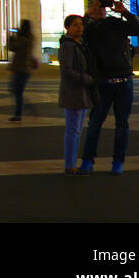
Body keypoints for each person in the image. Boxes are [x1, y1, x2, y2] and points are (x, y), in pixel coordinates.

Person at [78, 0, 139, 176]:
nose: (101, 9)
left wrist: (124, 11)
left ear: (109, 11)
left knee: (121, 124)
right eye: (98, 6)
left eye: (103, 7)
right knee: (95, 123)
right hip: (102, 81)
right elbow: (80, 33)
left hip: (123, 81)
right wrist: (88, 14)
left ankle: (118, 162)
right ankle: (87, 161)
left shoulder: (118, 24)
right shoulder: (91, 28)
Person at [57, 14, 95, 174]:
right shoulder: (68, 46)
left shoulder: (79, 44)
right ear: (67, 28)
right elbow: (66, 71)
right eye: (75, 25)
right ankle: (70, 163)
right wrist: (86, 79)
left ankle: (71, 162)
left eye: (81, 24)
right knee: (73, 130)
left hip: (81, 91)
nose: (79, 27)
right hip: (74, 92)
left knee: (76, 129)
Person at [6, 19, 38, 121]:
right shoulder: (30, 38)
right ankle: (22, 111)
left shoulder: (22, 39)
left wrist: (11, 38)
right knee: (17, 91)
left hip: (20, 69)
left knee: (16, 92)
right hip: (25, 69)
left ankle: (21, 113)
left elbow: (11, 47)